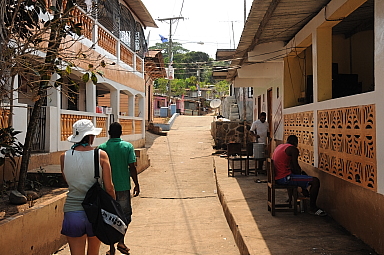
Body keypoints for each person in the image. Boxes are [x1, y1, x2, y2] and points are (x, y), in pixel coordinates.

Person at [60, 119, 116, 255]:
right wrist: (113, 206)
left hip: (73, 212)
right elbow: (109, 188)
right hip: (95, 213)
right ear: (91, 136)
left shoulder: (64, 157)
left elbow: (69, 181)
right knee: (94, 252)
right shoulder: (101, 155)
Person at [99, 122, 140, 255]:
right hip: (123, 187)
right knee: (125, 215)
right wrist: (136, 184)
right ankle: (121, 241)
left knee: (109, 217)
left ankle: (111, 247)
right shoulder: (127, 147)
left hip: (106, 187)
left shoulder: (101, 148)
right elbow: (132, 167)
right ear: (121, 132)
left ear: (109, 132)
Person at [272, 134, 327, 216]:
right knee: (315, 181)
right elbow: (296, 167)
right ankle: (313, 208)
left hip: (278, 177)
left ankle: (292, 198)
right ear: (295, 142)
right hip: (285, 178)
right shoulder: (293, 149)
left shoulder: (280, 146)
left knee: (303, 176)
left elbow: (291, 167)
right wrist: (303, 184)